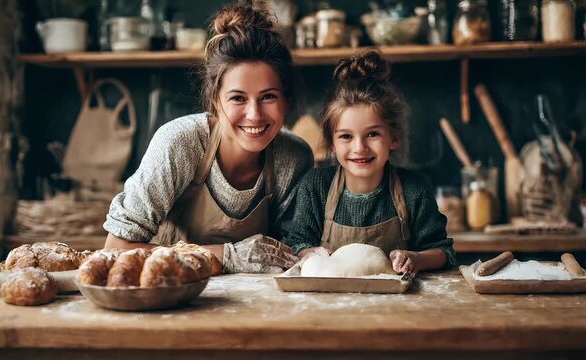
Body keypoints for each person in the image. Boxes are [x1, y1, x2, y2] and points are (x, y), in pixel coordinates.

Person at [103, 1, 313, 273]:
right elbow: (115, 248)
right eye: (238, 98)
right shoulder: (179, 143)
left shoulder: (294, 158)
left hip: (259, 303)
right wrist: (225, 256)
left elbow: (291, 252)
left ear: (287, 100)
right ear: (215, 100)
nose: (254, 114)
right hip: (176, 294)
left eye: (268, 96)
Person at [283, 50, 455, 275]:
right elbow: (296, 244)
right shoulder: (315, 187)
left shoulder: (414, 189)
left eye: (372, 134)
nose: (359, 148)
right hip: (330, 301)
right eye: (346, 136)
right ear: (332, 143)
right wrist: (309, 254)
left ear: (393, 138)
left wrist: (415, 259)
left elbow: (443, 252)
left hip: (396, 304)